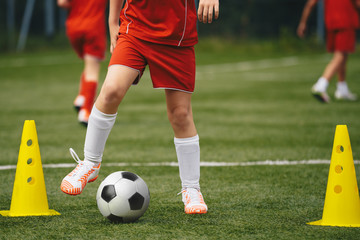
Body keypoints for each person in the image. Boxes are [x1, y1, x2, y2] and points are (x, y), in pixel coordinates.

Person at [60, 0, 220, 215]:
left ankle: (191, 189)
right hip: (134, 29)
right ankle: (90, 163)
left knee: (180, 114)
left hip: (176, 37)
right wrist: (112, 21)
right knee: (111, 91)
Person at [297, 0, 359, 103]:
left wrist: (303, 22)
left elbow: (310, 4)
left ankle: (342, 89)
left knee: (343, 54)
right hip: (346, 20)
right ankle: (321, 85)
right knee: (340, 56)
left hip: (330, 22)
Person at [57, 0, 108, 125]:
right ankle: (86, 111)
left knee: (88, 64)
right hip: (93, 27)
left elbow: (62, 3)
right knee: (92, 70)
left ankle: (81, 97)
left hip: (74, 27)